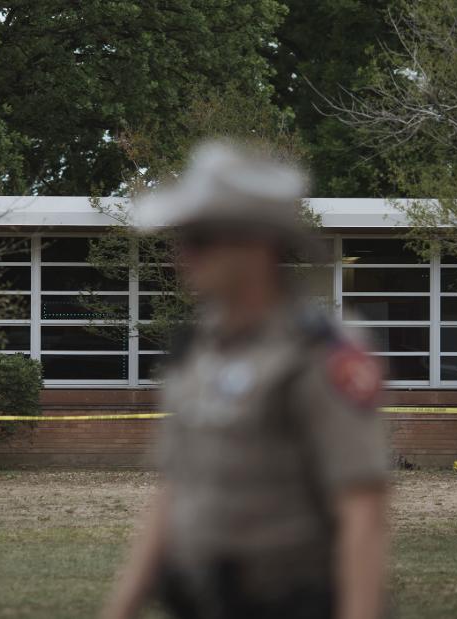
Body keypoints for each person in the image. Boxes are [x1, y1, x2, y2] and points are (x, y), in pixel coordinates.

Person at [102, 141, 391, 619]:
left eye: (200, 239)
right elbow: (172, 491)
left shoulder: (320, 353)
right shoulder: (195, 349)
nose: (182, 254)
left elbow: (363, 513)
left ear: (257, 244)